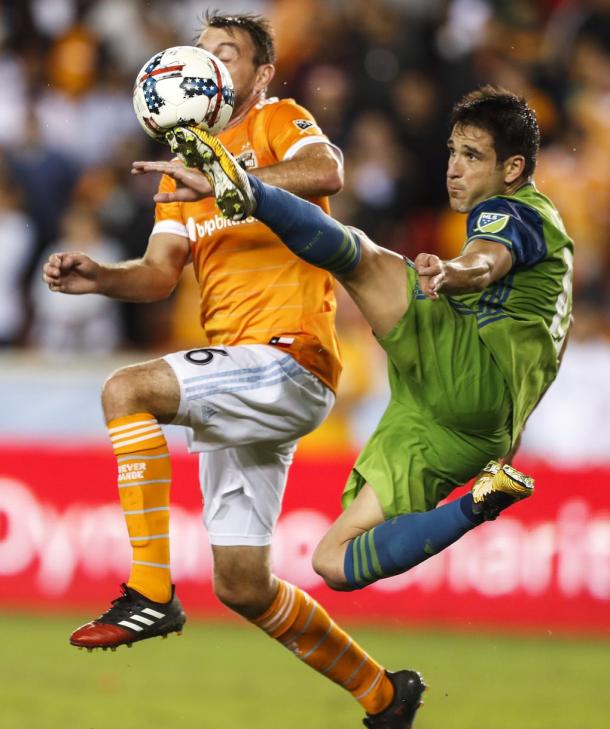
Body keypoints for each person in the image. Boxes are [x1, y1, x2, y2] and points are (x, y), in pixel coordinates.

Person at [43, 12, 426, 729]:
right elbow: (157, 274)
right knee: (244, 583)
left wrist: (223, 178)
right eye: (203, 50)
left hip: (289, 357)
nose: (211, 62)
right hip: (242, 373)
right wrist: (100, 277)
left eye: (230, 54)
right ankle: (385, 693)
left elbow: (327, 175)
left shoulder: (276, 123)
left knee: (128, 389)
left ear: (257, 77)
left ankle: (149, 591)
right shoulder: (185, 168)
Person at [143, 84, 572, 597]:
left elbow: (485, 259)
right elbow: (545, 354)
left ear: (513, 169)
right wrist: (509, 439)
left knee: (361, 259)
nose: (454, 168)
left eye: (473, 156)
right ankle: (479, 503)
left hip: (469, 376)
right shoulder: (554, 244)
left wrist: (454, 272)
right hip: (470, 429)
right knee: (335, 562)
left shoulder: (515, 211)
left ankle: (247, 192)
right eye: (453, 153)